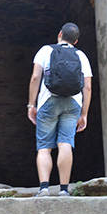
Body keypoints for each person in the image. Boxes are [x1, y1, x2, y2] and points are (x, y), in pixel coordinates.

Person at [27, 23, 92, 197]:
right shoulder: (81, 55)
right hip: (73, 104)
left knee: (44, 147)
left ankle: (44, 188)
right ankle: (64, 190)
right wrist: (84, 114)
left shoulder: (45, 51)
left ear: (59, 34)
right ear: (76, 41)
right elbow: (87, 88)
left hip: (48, 101)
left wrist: (31, 105)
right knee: (65, 144)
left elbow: (35, 78)